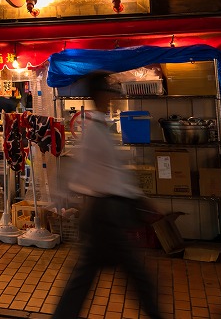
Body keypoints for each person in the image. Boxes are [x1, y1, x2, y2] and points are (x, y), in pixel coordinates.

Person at [51, 72, 162, 319]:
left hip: (104, 213)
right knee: (136, 276)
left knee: (85, 277)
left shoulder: (99, 127)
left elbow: (102, 172)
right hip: (106, 215)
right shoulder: (94, 132)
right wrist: (60, 200)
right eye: (109, 93)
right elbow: (85, 172)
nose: (111, 98)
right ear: (99, 95)